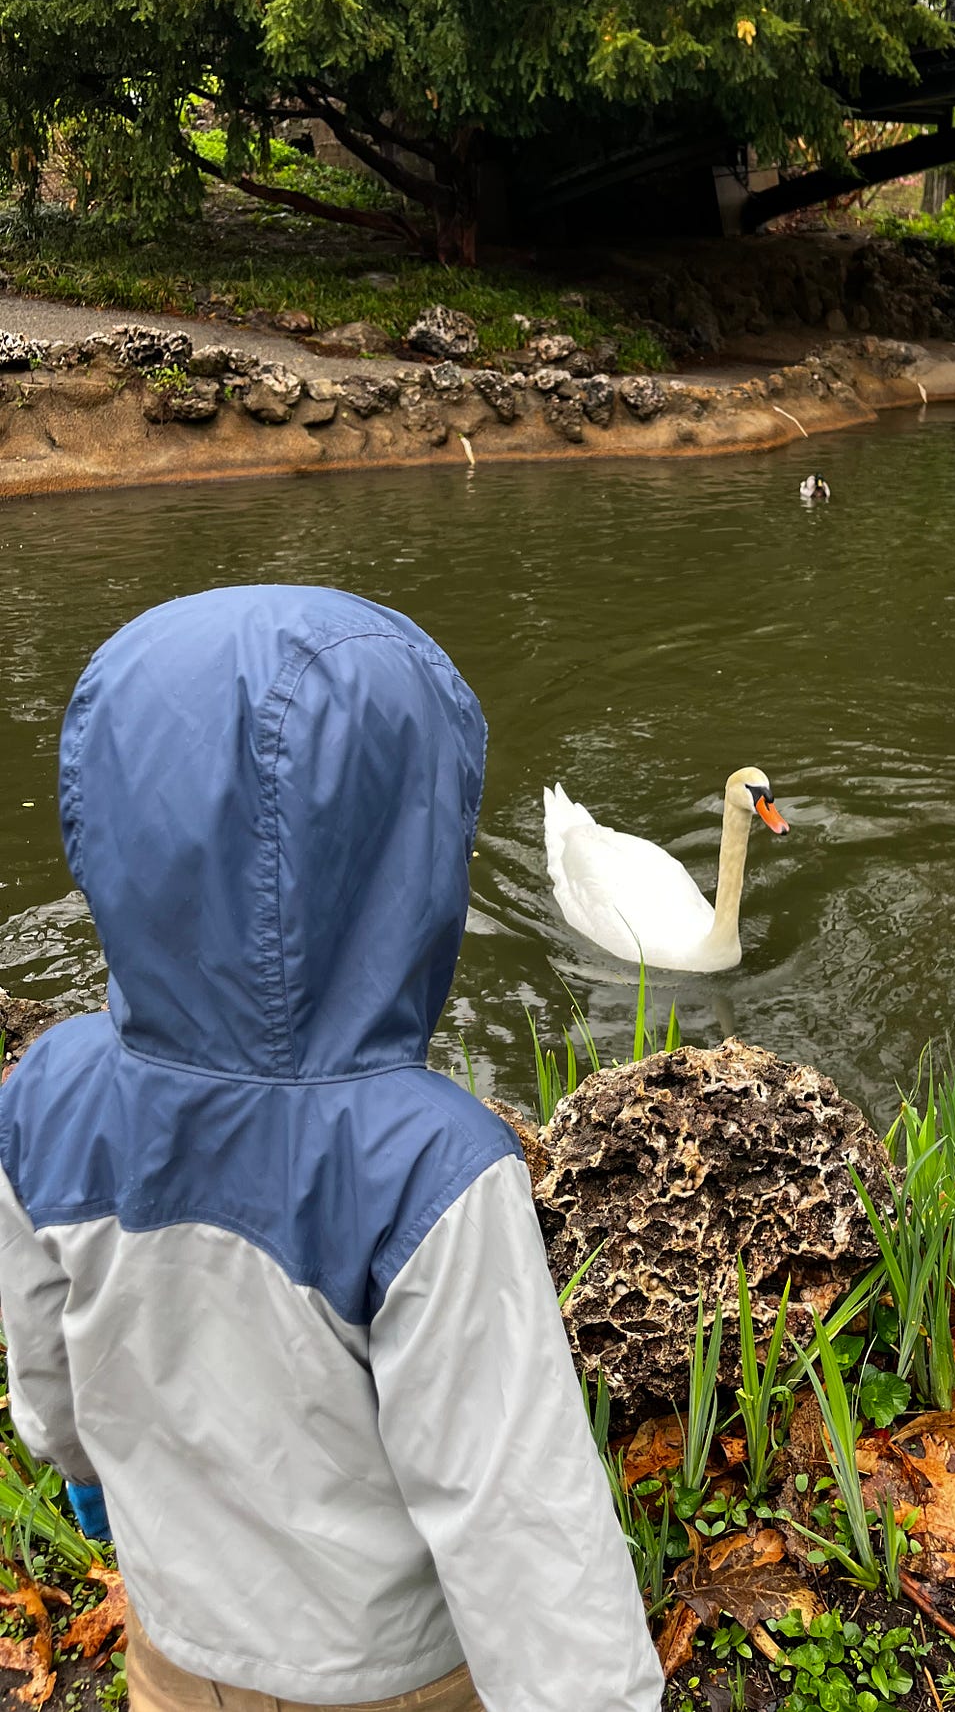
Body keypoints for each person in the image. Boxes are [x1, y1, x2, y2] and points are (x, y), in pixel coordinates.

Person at [0, 585, 662, 1712]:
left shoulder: (46, 1093)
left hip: (175, 1652)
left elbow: (50, 1381)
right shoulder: (430, 1168)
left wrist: (82, 1472)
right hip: (395, 1679)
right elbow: (522, 1533)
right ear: (408, 844)